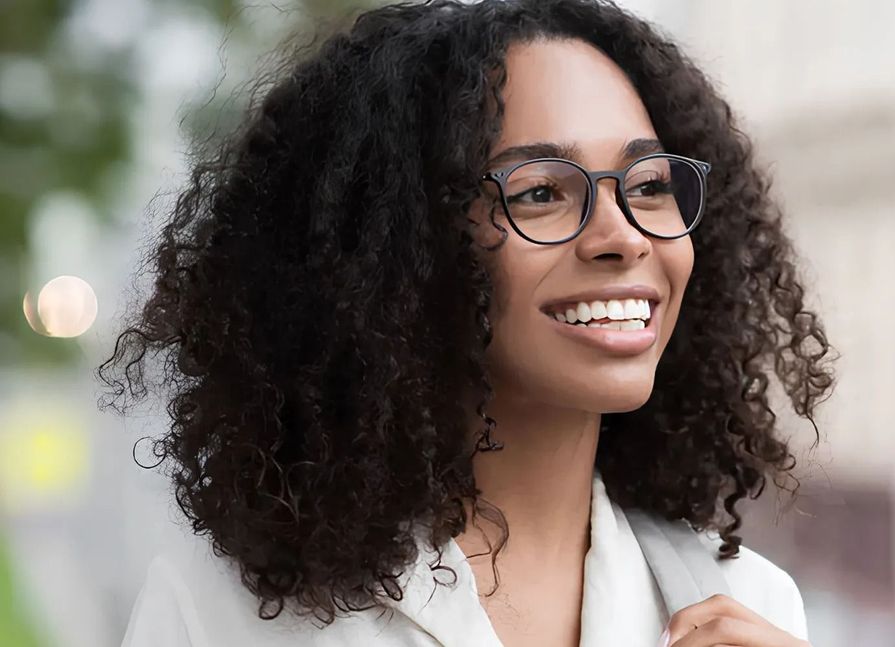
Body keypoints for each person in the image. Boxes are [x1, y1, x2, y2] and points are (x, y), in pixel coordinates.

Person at [100, 0, 835, 645]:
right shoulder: (224, 614)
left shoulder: (748, 606)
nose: (624, 235)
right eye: (542, 191)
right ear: (399, 248)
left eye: (648, 184)